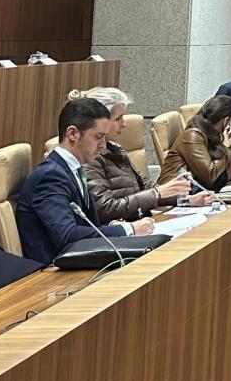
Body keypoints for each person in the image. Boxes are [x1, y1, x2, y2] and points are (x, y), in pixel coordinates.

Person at [14, 97, 154, 265]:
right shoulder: (50, 176)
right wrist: (128, 229)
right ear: (72, 134)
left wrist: (111, 224)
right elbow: (67, 235)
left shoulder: (74, 169)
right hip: (54, 274)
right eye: (98, 137)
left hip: (80, 261)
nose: (103, 145)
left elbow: (84, 222)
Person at [75, 86, 211, 221]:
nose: (123, 124)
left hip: (144, 223)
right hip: (125, 231)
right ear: (101, 121)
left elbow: (145, 188)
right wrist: (156, 194)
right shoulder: (89, 157)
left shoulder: (116, 149)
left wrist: (187, 200)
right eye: (118, 119)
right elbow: (105, 208)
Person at [161, 95, 231, 191]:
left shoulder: (213, 136)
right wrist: (226, 147)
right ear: (226, 121)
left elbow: (224, 178)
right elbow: (210, 175)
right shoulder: (192, 135)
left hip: (198, 195)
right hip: (174, 198)